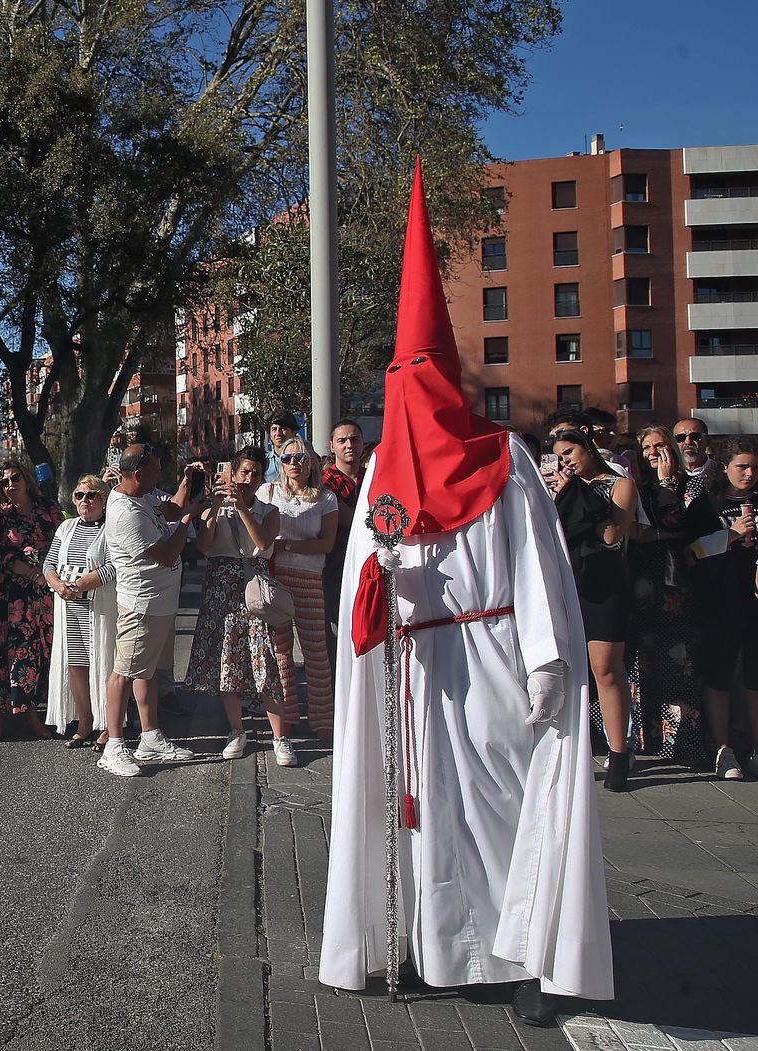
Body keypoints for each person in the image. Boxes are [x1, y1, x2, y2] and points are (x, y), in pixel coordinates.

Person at [323, 165, 610, 1022]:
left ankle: (528, 952)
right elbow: (358, 574)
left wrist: (547, 659)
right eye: (400, 370)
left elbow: (538, 567)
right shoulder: (378, 467)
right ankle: (432, 948)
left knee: (503, 806)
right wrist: (373, 589)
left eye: (424, 367)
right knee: (424, 820)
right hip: (413, 669)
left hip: (489, 660)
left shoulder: (504, 460)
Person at [96, 443, 203, 776]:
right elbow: (169, 553)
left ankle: (151, 737)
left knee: (147, 670)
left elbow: (169, 510)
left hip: (159, 603)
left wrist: (188, 483)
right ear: (139, 475)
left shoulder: (141, 495)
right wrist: (190, 518)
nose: (161, 477)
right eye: (157, 471)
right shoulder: (126, 512)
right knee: (124, 672)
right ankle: (114, 746)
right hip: (141, 605)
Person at [185, 449, 294, 763]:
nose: (248, 479)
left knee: (266, 662)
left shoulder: (269, 510)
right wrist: (218, 506)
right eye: (244, 472)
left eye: (256, 474)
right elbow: (203, 546)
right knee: (226, 661)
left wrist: (243, 508)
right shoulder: (214, 507)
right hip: (219, 588)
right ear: (231, 473)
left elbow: (261, 544)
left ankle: (280, 737)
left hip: (252, 589)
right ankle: (237, 730)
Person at [545, 427, 638, 790]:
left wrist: (574, 494)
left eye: (570, 451)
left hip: (604, 584)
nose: (565, 460)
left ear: (589, 448)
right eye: (559, 455)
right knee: (567, 667)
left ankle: (619, 755)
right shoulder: (554, 488)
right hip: (566, 581)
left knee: (606, 669)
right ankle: (574, 751)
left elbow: (611, 537)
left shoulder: (618, 485)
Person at [626, 425, 708, 766]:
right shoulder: (639, 489)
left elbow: (679, 526)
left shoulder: (691, 486)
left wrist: (668, 487)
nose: (654, 452)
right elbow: (639, 533)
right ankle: (647, 739)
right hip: (644, 583)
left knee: (678, 659)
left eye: (661, 445)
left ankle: (683, 742)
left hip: (679, 587)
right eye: (647, 447)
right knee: (642, 660)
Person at [258, 435, 338, 741]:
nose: (293, 463)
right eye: (287, 458)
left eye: (300, 458)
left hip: (309, 578)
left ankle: (323, 719)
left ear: (312, 463)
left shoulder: (325, 498)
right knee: (281, 652)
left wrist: (287, 544)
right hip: (276, 579)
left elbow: (327, 543)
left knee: (316, 652)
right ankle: (286, 717)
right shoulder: (268, 492)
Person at [0, 460, 63, 739]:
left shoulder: (48, 509)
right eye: (4, 482)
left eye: (15, 478)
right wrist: (33, 573)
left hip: (44, 594)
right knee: (5, 656)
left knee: (39, 653)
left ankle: (33, 714)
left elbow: (64, 541)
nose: (10, 485)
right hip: (11, 596)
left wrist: (48, 576)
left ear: (26, 478)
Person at [690, 437, 758, 780]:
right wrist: (730, 534)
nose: (749, 474)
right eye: (741, 466)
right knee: (719, 674)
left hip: (754, 597)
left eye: (754, 467)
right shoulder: (707, 504)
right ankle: (723, 749)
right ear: (726, 468)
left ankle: (754, 747)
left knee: (754, 677)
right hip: (720, 599)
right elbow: (691, 550)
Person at [42, 474, 115, 748]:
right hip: (69, 607)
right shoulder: (66, 527)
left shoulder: (111, 529)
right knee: (76, 666)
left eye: (92, 495)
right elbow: (49, 564)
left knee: (104, 664)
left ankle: (107, 724)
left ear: (104, 500)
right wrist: (58, 584)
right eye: (79, 495)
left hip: (99, 609)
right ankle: (85, 722)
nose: (85, 501)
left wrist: (83, 584)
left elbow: (114, 566)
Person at [322, 420, 365, 663]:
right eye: (342, 440)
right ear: (332, 447)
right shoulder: (323, 485)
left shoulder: (374, 480)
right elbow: (358, 523)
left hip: (369, 571)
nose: (349, 445)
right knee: (336, 644)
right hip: (333, 571)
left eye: (354, 439)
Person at [673, 417, 719, 492]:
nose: (688, 442)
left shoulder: (722, 473)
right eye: (680, 438)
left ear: (707, 439)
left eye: (695, 436)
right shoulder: (668, 475)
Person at [262, 412, 299, 483]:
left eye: (283, 429)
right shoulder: (264, 461)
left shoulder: (303, 460)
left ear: (294, 432)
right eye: (274, 429)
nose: (278, 433)